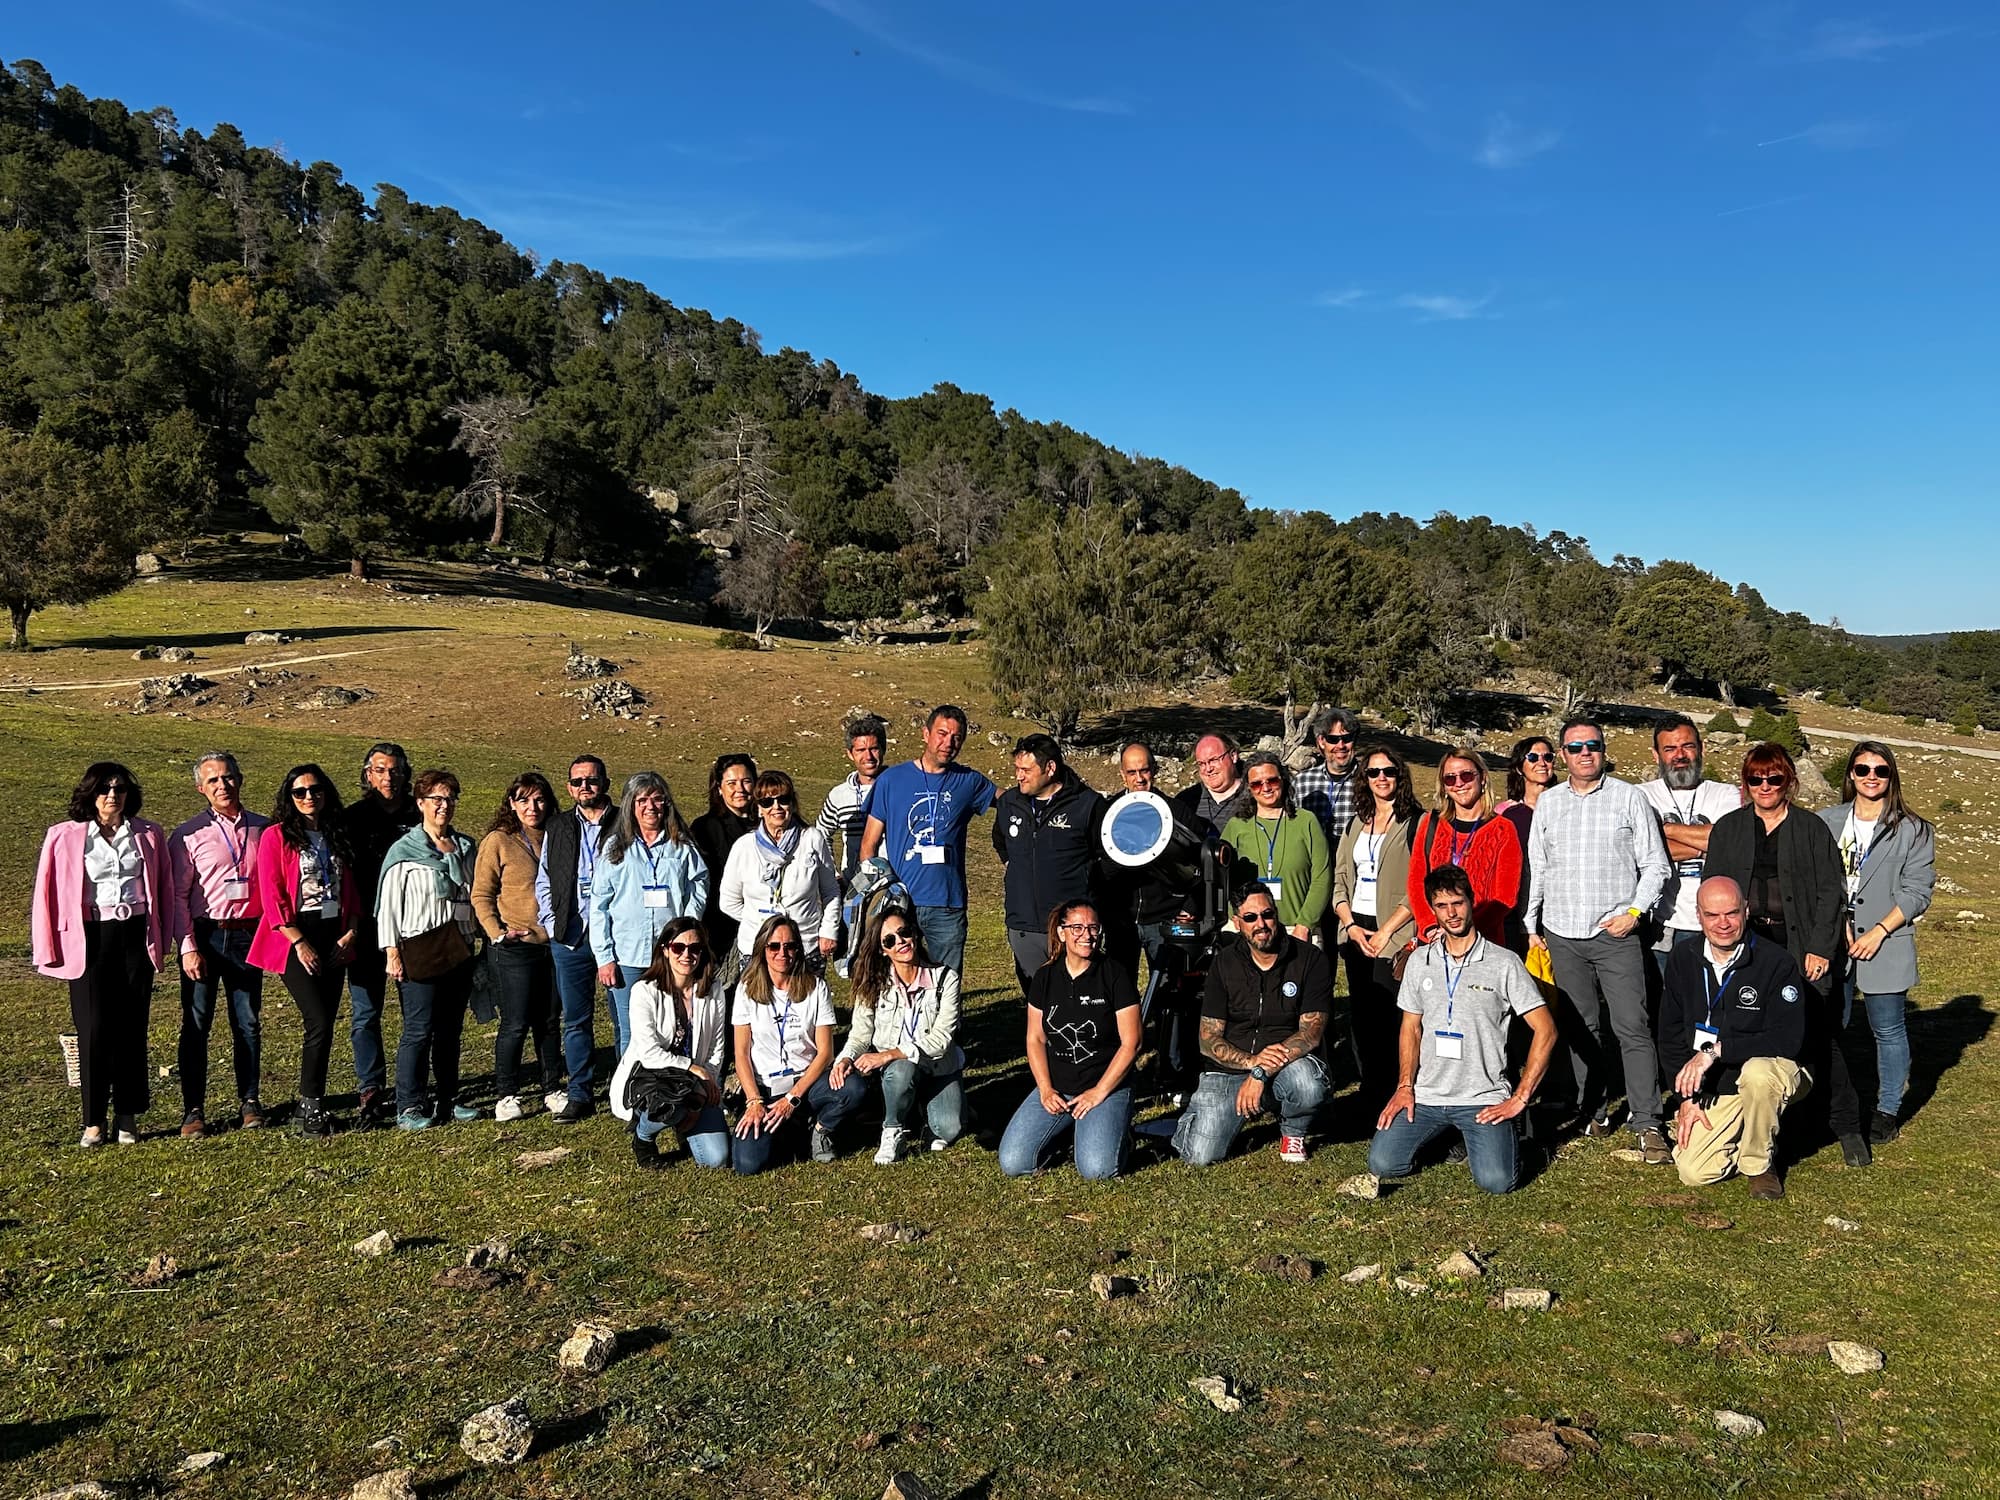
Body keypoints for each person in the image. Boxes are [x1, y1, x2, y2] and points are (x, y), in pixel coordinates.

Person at [1705, 743, 1866, 1165]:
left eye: (1773, 778)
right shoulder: (1728, 829)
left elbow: (1832, 892)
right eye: (1755, 779)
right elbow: (1714, 888)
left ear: (1788, 781)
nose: (1764, 787)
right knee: (1745, 1031)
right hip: (1747, 950)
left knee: (1815, 1035)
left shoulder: (1811, 829)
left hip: (1799, 949)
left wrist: (1819, 948)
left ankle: (1845, 1124)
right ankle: (1747, 1120)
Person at [1524, 717, 1672, 1161]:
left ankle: (1648, 1121)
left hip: (1615, 935)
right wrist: (1532, 926)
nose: (1584, 753)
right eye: (1575, 747)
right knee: (1579, 1028)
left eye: (1592, 745)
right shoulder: (1548, 804)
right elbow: (1540, 868)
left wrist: (1632, 914)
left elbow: (1656, 865)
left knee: (1632, 1026)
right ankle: (1594, 1109)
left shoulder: (1630, 799)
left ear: (1603, 751)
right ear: (1563, 755)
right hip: (1562, 934)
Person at [1370, 865, 1558, 1194]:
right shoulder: (1419, 961)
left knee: (1496, 1182)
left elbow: (1546, 1030)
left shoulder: (1504, 963)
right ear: (1432, 910)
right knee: (1384, 1164)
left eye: (1457, 903)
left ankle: (1513, 1140)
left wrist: (1520, 1097)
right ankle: (1453, 1138)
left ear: (1472, 901)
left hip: (1482, 1097)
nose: (1451, 914)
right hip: (1427, 1095)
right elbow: (1410, 1028)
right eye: (1441, 906)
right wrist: (1404, 1086)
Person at [32, 763, 171, 1148]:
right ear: (90, 793)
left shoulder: (149, 834)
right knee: (92, 1028)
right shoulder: (64, 836)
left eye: (120, 788)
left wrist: (165, 939)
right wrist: (47, 947)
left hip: (135, 937)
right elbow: (45, 895)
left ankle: (127, 1116)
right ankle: (93, 1120)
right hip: (89, 937)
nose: (113, 795)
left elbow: (163, 887)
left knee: (131, 1028)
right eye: (105, 788)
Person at [1658, 877, 1812, 1198]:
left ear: (1745, 910)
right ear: (1698, 916)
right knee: (1693, 1172)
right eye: (1712, 916)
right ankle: (1751, 1125)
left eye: (1731, 913)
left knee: (1758, 1074)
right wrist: (1685, 1099)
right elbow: (1670, 1036)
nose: (1723, 924)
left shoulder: (1775, 962)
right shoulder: (1682, 959)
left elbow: (1787, 1040)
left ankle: (1758, 1164)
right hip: (1720, 1083)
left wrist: (1716, 1050)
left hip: (1775, 1069)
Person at [1819, 743, 1936, 1146]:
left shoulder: (1913, 829)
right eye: (1862, 768)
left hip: (1885, 939)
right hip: (1834, 939)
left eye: (1880, 770)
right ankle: (1829, 1101)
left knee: (1887, 1028)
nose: (1871, 777)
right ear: (1850, 774)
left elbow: (1918, 890)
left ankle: (1886, 1108)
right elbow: (1817, 879)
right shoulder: (1826, 821)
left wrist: (1878, 931)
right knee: (1830, 1024)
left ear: (1892, 776)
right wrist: (1838, 923)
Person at [1172, 883, 1331, 1166]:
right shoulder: (1224, 963)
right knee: (1199, 1156)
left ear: (1276, 914)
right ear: (1237, 923)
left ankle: (1293, 1131)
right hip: (1230, 1070)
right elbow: (1208, 1038)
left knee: (1308, 1084)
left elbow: (1312, 1031)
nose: (1261, 924)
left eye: (1267, 914)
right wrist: (1251, 1062)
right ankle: (1201, 1112)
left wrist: (1260, 1072)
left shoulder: (1310, 959)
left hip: (1286, 1064)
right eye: (1250, 918)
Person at [249, 764, 362, 1136]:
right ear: (289, 797)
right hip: (295, 935)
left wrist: (351, 932)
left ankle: (314, 1102)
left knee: (327, 1023)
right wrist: (298, 942)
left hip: (335, 933)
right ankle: (309, 1105)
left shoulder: (337, 832)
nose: (309, 797)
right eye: (300, 792)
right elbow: (272, 894)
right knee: (317, 1020)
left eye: (315, 790)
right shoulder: (276, 836)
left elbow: (352, 888)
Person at [998, 900, 1143, 1180]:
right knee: (1014, 1163)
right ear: (1062, 932)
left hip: (1105, 1086)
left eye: (1093, 928)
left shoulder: (1115, 974)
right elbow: (1035, 1038)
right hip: (1059, 1087)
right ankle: (1067, 1134)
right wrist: (1045, 1090)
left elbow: (1132, 1043)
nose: (1087, 935)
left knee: (1097, 1170)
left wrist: (1099, 1092)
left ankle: (1120, 1136)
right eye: (1077, 927)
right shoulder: (1045, 976)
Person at [167, 752, 270, 1138]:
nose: (222, 786)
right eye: (213, 781)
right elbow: (177, 895)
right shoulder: (188, 834)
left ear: (240, 780)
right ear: (200, 788)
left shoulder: (265, 829)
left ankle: (250, 1101)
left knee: (248, 1022)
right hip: (205, 935)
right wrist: (187, 946)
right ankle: (193, 1110)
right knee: (196, 1023)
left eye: (228, 778)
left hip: (248, 935)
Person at [377, 770, 481, 1131]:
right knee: (418, 1029)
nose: (444, 805)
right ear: (420, 803)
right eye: (436, 798)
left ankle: (449, 1099)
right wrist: (392, 952)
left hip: (458, 947)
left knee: (451, 1029)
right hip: (418, 949)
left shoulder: (466, 848)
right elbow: (388, 905)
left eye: (450, 798)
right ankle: (408, 1105)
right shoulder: (403, 852)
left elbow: (475, 897)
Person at [858, 704, 997, 973]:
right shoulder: (891, 780)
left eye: (957, 737)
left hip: (946, 903)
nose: (948, 743)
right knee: (898, 982)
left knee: (946, 983)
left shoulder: (969, 781)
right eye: (942, 734)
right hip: (900, 902)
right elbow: (868, 844)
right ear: (925, 734)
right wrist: (878, 891)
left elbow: (1011, 803)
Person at [730, 914, 865, 1174]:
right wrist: (754, 1100)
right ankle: (789, 1133)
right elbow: (741, 1053)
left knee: (854, 1088)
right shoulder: (746, 989)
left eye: (790, 946)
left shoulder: (816, 987)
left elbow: (825, 1053)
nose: (783, 952)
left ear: (799, 950)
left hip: (807, 1085)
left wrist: (792, 1099)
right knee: (747, 1164)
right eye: (774, 946)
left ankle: (821, 1127)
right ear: (762, 949)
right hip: (766, 1090)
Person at [832, 908, 967, 1164]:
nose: (900, 942)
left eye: (904, 933)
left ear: (914, 934)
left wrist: (887, 1054)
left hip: (938, 1066)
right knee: (902, 1070)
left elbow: (941, 1039)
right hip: (898, 1070)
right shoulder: (872, 983)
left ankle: (925, 1112)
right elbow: (860, 1034)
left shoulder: (945, 978)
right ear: (883, 949)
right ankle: (892, 1129)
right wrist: (845, 1059)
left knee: (949, 1129)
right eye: (890, 940)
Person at [589, 772, 707, 1060]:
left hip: (671, 956)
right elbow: (599, 904)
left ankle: (665, 1093)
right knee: (630, 1032)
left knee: (669, 1027)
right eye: (642, 800)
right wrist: (604, 957)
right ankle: (631, 1098)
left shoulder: (682, 846)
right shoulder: (615, 848)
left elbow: (699, 887)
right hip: (627, 956)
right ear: (631, 805)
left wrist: (685, 932)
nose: (650, 807)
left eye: (657, 799)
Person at [1330, 747, 1421, 1108]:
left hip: (1394, 929)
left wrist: (1387, 931)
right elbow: (1339, 877)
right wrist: (1350, 925)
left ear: (1400, 777)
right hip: (1356, 928)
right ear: (1364, 780)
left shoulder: (1415, 823)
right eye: (1373, 773)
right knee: (1363, 1014)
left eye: (1389, 772)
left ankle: (1399, 1089)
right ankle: (1371, 1089)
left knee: (1393, 1015)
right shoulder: (1355, 823)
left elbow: (1420, 886)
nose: (1381, 778)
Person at [473, 772, 563, 1122]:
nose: (532, 807)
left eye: (539, 799)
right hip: (514, 947)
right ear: (511, 803)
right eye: (523, 800)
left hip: (553, 943)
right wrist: (497, 932)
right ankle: (507, 1093)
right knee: (515, 1023)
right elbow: (481, 894)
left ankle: (552, 1086)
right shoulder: (499, 840)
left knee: (550, 1020)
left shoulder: (558, 836)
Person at [610, 916, 731, 1170]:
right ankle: (643, 1136)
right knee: (671, 1104)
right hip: (652, 1079)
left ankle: (685, 1123)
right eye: (678, 948)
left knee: (716, 1159)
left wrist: (701, 1091)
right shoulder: (644, 991)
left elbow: (716, 1047)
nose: (687, 955)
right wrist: (692, 1068)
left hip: (695, 1083)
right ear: (665, 950)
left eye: (695, 948)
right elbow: (649, 1053)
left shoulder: (714, 990)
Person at [993, 733, 1106, 992]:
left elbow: (1106, 857)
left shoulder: (1087, 805)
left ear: (1050, 768)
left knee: (1077, 996)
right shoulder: (1010, 803)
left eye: (1026, 770)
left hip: (1072, 928)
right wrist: (1013, 866)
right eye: (1017, 769)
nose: (1018, 776)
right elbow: (1000, 840)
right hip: (1024, 925)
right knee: (1036, 998)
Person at [534, 754, 613, 1122]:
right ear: (568, 788)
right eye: (578, 782)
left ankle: (626, 1090)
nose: (586, 787)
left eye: (592, 781)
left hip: (615, 936)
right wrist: (553, 925)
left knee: (623, 1017)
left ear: (605, 784)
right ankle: (580, 1092)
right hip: (571, 936)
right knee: (576, 1020)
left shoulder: (623, 824)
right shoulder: (558, 826)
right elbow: (545, 879)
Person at [1636, 716, 1742, 977]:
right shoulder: (1640, 795)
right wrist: (1706, 843)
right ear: (1655, 755)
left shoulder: (1726, 793)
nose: (1679, 755)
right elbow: (1638, 850)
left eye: (1688, 746)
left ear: (1702, 748)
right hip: (1661, 923)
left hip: (1714, 923)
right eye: (1669, 749)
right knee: (1663, 1006)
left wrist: (1662, 830)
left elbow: (1727, 841)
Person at [345, 742, 416, 1126]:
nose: (388, 777)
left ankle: (413, 1088)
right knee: (365, 1013)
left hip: (413, 929)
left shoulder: (418, 813)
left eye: (395, 770)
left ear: (405, 773)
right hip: (365, 930)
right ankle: (370, 1089)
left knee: (416, 1015)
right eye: (380, 770)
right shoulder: (351, 818)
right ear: (368, 774)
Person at [719, 769, 841, 965]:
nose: (776, 807)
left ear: (792, 804)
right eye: (767, 802)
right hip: (756, 950)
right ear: (759, 808)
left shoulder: (811, 839)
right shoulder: (744, 847)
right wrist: (762, 923)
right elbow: (728, 901)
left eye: (782, 800)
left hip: (805, 946)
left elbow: (831, 891)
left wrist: (828, 931)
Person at [1407, 748, 1521, 949]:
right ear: (1443, 787)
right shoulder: (1430, 824)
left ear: (1483, 778)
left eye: (1466, 775)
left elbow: (1505, 897)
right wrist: (1431, 927)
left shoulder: (1504, 829)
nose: (1459, 783)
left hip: (1483, 942)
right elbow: (1416, 882)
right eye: (1450, 778)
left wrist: (1462, 931)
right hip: (1434, 941)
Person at [1221, 752, 1332, 942]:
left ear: (1283, 780)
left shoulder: (1306, 821)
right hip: (1249, 929)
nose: (1265, 788)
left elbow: (1322, 876)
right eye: (1257, 783)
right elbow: (1221, 875)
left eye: (1271, 780)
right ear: (1249, 788)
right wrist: (1235, 914)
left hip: (1297, 930)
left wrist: (1305, 924)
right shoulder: (1237, 825)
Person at [690, 753, 758, 979]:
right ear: (719, 789)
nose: (740, 789)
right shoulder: (705, 828)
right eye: (731, 783)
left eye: (746, 781)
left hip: (762, 925)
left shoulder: (768, 822)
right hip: (721, 928)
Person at [1494, 735, 1557, 949]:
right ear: (1520, 767)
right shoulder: (1505, 814)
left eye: (1548, 757)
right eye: (1533, 757)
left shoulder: (1566, 807)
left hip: (1558, 911)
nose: (1542, 762)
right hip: (1514, 911)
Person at [815, 714, 887, 887]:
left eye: (874, 748)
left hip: (894, 883)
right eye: (860, 750)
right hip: (853, 885)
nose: (868, 756)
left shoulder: (899, 789)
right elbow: (821, 833)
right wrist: (833, 874)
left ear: (883, 749)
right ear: (850, 754)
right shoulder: (839, 795)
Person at [1293, 707, 1364, 852]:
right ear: (1321, 741)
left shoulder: (1371, 780)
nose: (1341, 746)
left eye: (1347, 738)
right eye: (1333, 739)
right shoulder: (1302, 782)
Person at [1186, 732, 1247, 836]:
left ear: (1233, 756)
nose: (1208, 769)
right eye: (1202, 764)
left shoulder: (1255, 795)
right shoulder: (1187, 800)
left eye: (1213, 760)